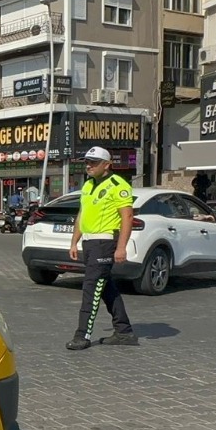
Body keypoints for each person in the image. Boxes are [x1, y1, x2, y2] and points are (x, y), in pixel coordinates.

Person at [66, 147, 137, 351]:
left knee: (91, 288)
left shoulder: (118, 185)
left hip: (104, 243)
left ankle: (82, 335)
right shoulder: (88, 185)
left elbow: (127, 217)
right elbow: (82, 214)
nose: (89, 166)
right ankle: (124, 331)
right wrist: (74, 241)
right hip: (89, 243)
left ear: (107, 165)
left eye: (94, 162)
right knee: (105, 287)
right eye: (87, 162)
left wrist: (121, 247)